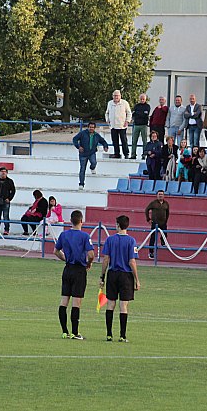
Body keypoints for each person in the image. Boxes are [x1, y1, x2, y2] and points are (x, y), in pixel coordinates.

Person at [54, 210, 94, 340]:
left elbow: (56, 251)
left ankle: (64, 331)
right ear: (81, 221)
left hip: (67, 269)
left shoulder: (64, 235)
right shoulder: (84, 236)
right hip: (79, 270)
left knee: (64, 300)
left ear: (71, 221)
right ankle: (75, 332)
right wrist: (89, 263)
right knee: (77, 302)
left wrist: (65, 259)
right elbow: (91, 254)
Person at [100, 215, 140, 342]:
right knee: (123, 305)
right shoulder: (131, 241)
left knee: (110, 304)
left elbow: (106, 259)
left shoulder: (110, 240)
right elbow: (132, 261)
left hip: (112, 274)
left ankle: (109, 334)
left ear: (117, 224)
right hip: (125, 276)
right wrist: (137, 279)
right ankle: (122, 336)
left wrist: (102, 276)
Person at [73, 121, 109, 190]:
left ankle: (92, 168)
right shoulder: (82, 133)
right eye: (90, 127)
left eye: (93, 127)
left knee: (94, 162)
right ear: (88, 127)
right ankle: (81, 184)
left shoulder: (96, 135)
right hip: (83, 154)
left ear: (94, 128)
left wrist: (105, 146)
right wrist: (78, 146)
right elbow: (75, 139)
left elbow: (103, 141)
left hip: (92, 153)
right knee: (82, 169)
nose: (91, 128)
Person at [105, 89, 132, 159]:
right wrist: (107, 120)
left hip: (122, 125)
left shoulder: (125, 103)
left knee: (124, 140)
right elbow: (106, 113)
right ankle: (116, 153)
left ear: (120, 96)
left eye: (117, 96)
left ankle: (126, 154)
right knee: (115, 140)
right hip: (113, 126)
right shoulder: (110, 103)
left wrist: (127, 121)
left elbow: (129, 113)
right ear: (112, 96)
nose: (116, 97)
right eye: (114, 96)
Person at [0, 167, 16, 235]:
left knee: (6, 216)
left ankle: (6, 230)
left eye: (4, 171)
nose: (3, 173)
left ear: (7, 173)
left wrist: (9, 198)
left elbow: (13, 191)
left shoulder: (10, 181)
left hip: (5, 201)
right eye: (2, 171)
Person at [145, 190, 169, 259]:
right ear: (157, 195)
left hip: (163, 223)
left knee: (165, 234)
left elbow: (167, 212)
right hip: (155, 223)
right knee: (153, 238)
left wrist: (166, 220)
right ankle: (151, 252)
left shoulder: (166, 204)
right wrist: (148, 219)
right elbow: (147, 210)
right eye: (159, 194)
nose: (160, 195)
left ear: (164, 195)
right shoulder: (153, 203)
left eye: (161, 194)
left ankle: (162, 241)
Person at [130, 93, 150, 159]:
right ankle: (133, 154)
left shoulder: (147, 106)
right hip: (136, 125)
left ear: (145, 99)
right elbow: (133, 114)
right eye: (141, 99)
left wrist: (138, 113)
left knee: (144, 141)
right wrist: (140, 114)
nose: (142, 100)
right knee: (134, 141)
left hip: (144, 125)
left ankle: (144, 155)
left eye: (143, 99)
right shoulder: (136, 106)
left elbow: (145, 115)